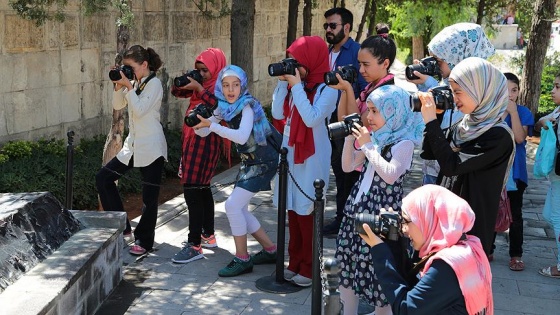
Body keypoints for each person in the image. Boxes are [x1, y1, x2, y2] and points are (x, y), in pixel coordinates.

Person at [335, 85, 423, 315]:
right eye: (369, 110)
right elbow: (348, 166)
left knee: (380, 273)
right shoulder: (376, 138)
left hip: (383, 216)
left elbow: (390, 174)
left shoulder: (403, 144)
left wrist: (367, 144)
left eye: (375, 111)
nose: (369, 117)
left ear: (394, 111)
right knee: (348, 266)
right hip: (356, 209)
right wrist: (348, 139)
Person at [417, 57, 514, 255]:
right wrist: (438, 116)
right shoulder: (466, 126)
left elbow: (451, 166)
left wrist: (432, 123)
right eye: (452, 92)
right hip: (445, 219)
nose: (454, 98)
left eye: (458, 92)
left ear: (480, 91)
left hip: (470, 228)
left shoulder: (498, 136)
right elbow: (429, 152)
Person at [193, 65, 281, 277]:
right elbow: (204, 132)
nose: (230, 90)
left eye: (235, 85)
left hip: (263, 161)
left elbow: (241, 136)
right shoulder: (223, 106)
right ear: (219, 87)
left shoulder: (247, 106)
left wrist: (212, 126)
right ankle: (271, 250)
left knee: (232, 205)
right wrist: (199, 122)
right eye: (225, 85)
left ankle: (243, 258)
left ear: (242, 86)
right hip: (249, 161)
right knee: (239, 208)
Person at [359, 184, 494, 315]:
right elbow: (413, 285)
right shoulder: (463, 246)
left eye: (406, 221)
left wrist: (380, 253)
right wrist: (392, 241)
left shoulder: (448, 266)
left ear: (427, 218)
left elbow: (405, 309)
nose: (404, 229)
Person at [271, 36, 337, 287]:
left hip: (312, 156)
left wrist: (297, 86)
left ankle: (310, 270)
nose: (294, 67)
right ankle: (295, 263)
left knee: (307, 211)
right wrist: (282, 85)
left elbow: (311, 119)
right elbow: (278, 114)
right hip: (290, 153)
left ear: (312, 60)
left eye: (298, 62)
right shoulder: (296, 86)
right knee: (293, 210)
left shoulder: (327, 88)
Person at [96, 45, 167, 256]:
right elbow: (118, 106)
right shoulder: (135, 82)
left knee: (148, 199)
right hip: (133, 146)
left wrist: (128, 85)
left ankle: (144, 241)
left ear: (144, 65)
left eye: (131, 67)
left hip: (152, 147)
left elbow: (140, 110)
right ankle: (124, 226)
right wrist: (119, 85)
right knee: (103, 179)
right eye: (125, 67)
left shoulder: (154, 85)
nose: (128, 70)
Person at [407, 22, 495, 185]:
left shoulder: (476, 91)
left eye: (438, 61)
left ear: (458, 58)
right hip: (433, 167)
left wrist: (431, 85)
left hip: (453, 175)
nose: (434, 64)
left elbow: (454, 115)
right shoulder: (444, 81)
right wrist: (424, 84)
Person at [170, 48, 227, 264]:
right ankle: (207, 235)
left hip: (205, 140)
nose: (201, 74)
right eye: (198, 70)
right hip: (193, 138)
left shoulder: (221, 86)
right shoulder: (199, 86)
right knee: (202, 188)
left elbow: (218, 105)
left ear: (216, 68)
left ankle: (194, 244)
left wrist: (200, 87)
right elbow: (177, 92)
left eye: (205, 70)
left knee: (192, 189)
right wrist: (185, 81)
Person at [322, 7, 368, 235]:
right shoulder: (326, 52)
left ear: (347, 27)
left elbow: (362, 88)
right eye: (326, 26)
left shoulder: (357, 52)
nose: (328, 30)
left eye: (333, 25)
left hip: (347, 120)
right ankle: (341, 217)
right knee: (336, 168)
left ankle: (344, 220)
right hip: (325, 118)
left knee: (346, 171)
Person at [491, 72, 534, 269]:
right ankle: (486, 249)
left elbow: (519, 138)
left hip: (515, 174)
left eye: (514, 90)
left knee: (515, 215)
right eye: (506, 90)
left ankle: (516, 254)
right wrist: (503, 113)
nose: (510, 94)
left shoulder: (523, 112)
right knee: (490, 211)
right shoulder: (490, 110)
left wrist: (514, 113)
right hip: (493, 171)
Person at [535, 74, 560, 278]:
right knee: (549, 215)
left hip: (559, 177)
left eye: (558, 87)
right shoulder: (557, 111)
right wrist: (545, 121)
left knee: (556, 218)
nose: (552, 91)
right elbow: (540, 124)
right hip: (555, 176)